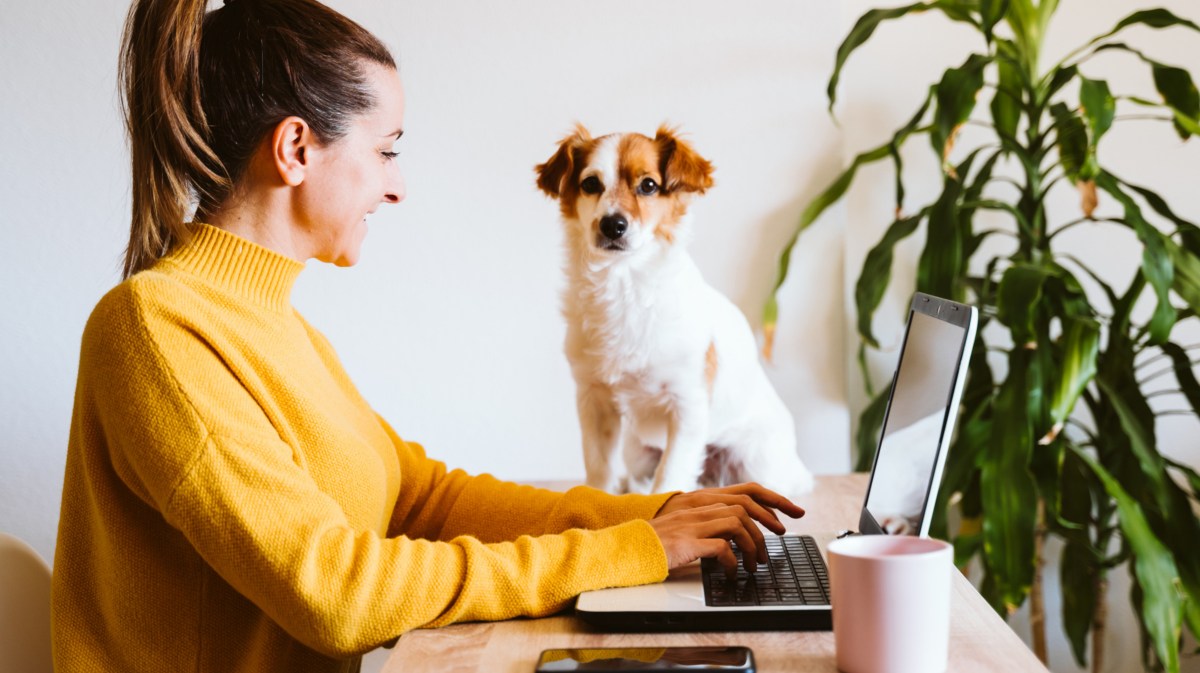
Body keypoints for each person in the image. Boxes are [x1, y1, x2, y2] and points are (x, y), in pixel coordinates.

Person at [51, 1, 806, 671]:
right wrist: (631, 550)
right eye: (386, 149)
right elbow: (339, 595)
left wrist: (652, 519)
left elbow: (421, 500)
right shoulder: (158, 332)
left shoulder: (279, 326)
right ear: (295, 149)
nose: (397, 184)